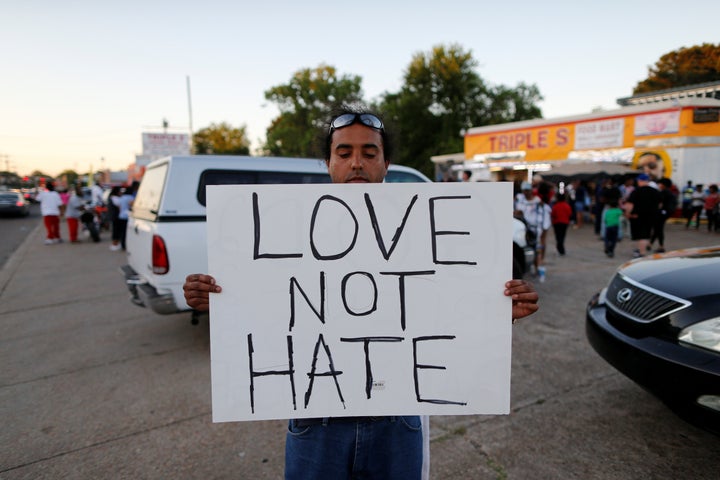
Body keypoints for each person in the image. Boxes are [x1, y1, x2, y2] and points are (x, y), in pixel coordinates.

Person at [182, 106, 540, 480]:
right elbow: (272, 308)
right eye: (344, 153)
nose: (357, 163)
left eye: (369, 153)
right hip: (316, 420)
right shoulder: (287, 230)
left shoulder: (421, 227)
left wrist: (496, 311)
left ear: (386, 164)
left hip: (397, 419)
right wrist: (216, 299)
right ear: (327, 163)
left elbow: (445, 305)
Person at [515, 181, 551, 282]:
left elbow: (544, 220)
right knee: (531, 251)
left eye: (527, 190)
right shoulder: (521, 201)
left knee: (538, 251)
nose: (526, 193)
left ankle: (540, 270)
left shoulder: (539, 203)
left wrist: (543, 234)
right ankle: (535, 269)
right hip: (525, 231)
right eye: (524, 191)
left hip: (536, 231)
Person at [624, 173, 661, 258]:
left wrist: (627, 213)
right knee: (646, 234)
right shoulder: (655, 191)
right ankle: (641, 249)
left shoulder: (636, 191)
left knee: (641, 235)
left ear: (640, 181)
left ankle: (642, 253)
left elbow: (630, 204)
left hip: (638, 217)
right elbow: (660, 204)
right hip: (651, 216)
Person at [649, 178, 677, 253]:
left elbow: (659, 203)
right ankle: (650, 244)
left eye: (660, 184)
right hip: (666, 213)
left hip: (661, 213)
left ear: (663, 184)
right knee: (657, 229)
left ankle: (661, 247)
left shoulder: (664, 192)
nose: (659, 185)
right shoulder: (669, 192)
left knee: (659, 229)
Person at [551, 191, 572, 256]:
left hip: (557, 223)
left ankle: (560, 247)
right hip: (564, 223)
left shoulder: (556, 206)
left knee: (558, 236)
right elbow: (569, 214)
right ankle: (560, 247)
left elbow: (553, 214)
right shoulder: (567, 206)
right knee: (562, 235)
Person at [107, 186, 123, 250]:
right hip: (115, 217)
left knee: (116, 230)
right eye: (120, 191)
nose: (121, 193)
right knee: (116, 230)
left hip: (115, 216)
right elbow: (119, 205)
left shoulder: (113, 197)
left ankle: (116, 242)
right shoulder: (114, 198)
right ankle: (115, 243)